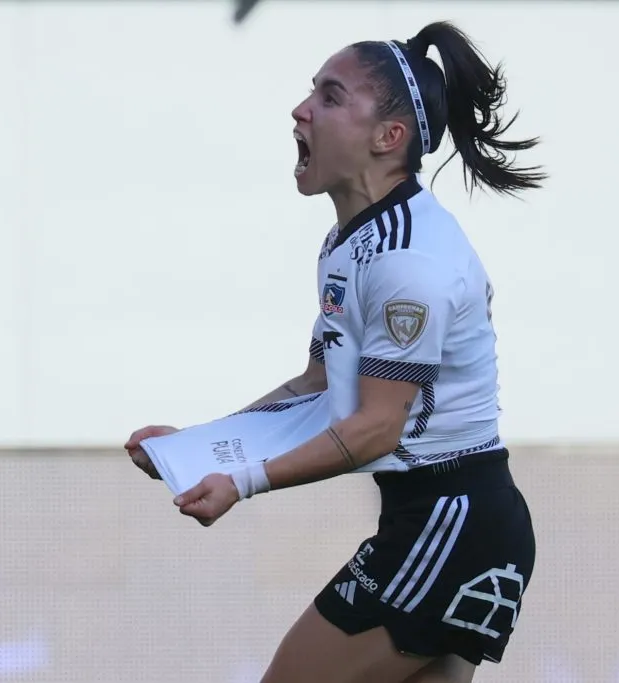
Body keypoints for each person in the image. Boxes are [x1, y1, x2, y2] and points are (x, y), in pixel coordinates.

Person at [125, 20, 543, 683]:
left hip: (449, 523)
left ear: (388, 137)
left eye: (329, 95)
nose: (301, 109)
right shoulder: (351, 242)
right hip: (449, 524)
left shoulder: (411, 257)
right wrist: (197, 449)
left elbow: (376, 426)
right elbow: (317, 387)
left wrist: (243, 482)